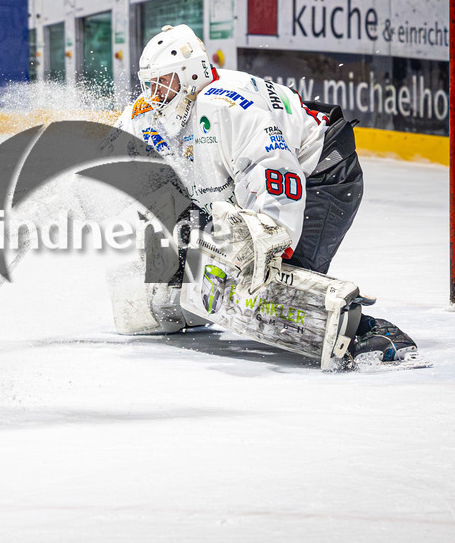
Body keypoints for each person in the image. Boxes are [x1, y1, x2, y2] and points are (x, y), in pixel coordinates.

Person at [112, 24, 417, 366]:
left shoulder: (228, 105)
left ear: (191, 74)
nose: (155, 94)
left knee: (271, 286)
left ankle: (368, 331)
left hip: (322, 173)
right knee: (191, 243)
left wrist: (271, 245)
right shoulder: (146, 115)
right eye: (149, 83)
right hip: (252, 187)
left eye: (163, 82)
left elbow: (277, 171)